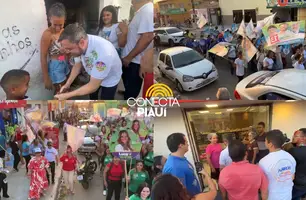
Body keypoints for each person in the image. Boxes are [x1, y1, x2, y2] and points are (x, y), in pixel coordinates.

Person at [55, 23, 122, 100]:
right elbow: (77, 64)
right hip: (94, 74)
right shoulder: (81, 41)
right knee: (92, 96)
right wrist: (67, 84)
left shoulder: (104, 54)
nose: (67, 52)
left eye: (69, 49)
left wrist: (67, 95)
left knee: (106, 101)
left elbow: (93, 86)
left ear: (82, 43)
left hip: (110, 79)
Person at [121, 0, 154, 100]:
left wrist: (128, 57)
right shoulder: (142, 11)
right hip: (131, 62)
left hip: (134, 63)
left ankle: (128, 114)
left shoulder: (148, 10)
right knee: (129, 92)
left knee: (130, 97)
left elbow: (148, 37)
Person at [40, 3, 70, 93]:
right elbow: (43, 56)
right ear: (50, 19)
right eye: (55, 24)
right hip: (56, 66)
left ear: (64, 19)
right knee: (61, 92)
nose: (58, 28)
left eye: (60, 24)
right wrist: (46, 78)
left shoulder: (64, 31)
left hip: (65, 62)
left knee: (66, 87)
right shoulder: (47, 34)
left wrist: (67, 52)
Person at [259, 130, 296, 200]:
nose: (264, 142)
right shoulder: (290, 157)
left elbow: (263, 186)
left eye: (265, 140)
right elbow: (292, 177)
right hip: (287, 196)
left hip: (272, 197)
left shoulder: (263, 162)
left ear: (270, 144)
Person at [152, 171, 217, 200]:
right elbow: (214, 192)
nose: (182, 184)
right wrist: (206, 175)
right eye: (180, 182)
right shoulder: (199, 198)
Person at [289, 129, 306, 200]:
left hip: (297, 184)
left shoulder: (293, 151)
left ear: (303, 138)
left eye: (296, 136)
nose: (293, 137)